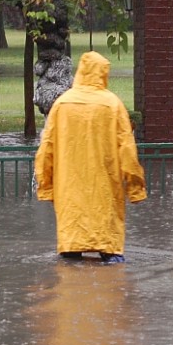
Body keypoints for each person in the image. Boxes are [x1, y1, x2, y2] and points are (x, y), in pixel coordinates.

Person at [34, 51, 147, 264]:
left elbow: (45, 150)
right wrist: (135, 189)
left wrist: (46, 187)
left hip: (70, 203)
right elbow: (128, 152)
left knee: (69, 274)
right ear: (103, 73)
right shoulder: (113, 106)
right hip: (105, 197)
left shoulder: (61, 105)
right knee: (112, 274)